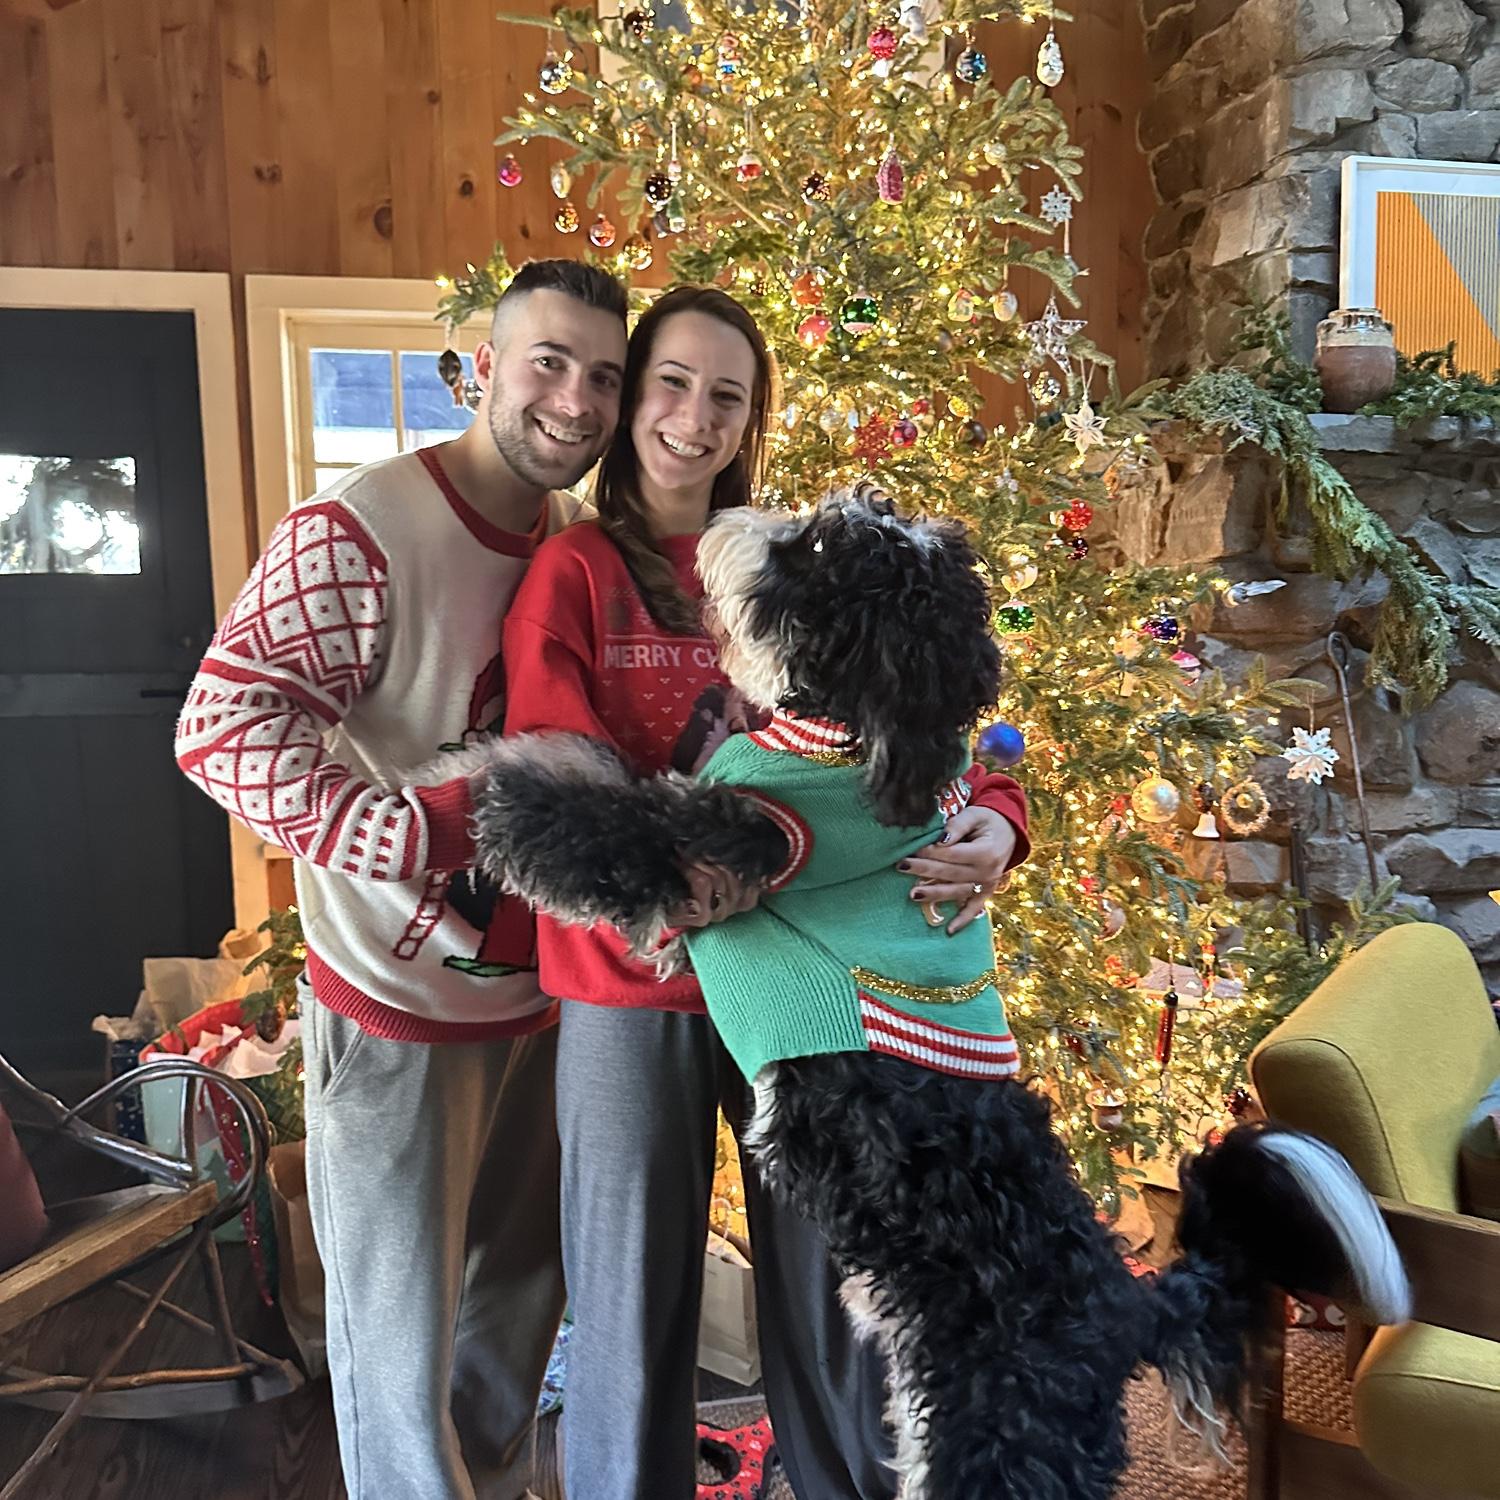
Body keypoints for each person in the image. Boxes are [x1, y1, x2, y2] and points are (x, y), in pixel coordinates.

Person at [500, 283, 1030, 1500]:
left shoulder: (805, 561)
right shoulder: (575, 572)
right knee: (629, 1296)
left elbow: (944, 707)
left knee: (842, 1288)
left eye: (727, 397)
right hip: (632, 990)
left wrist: (1001, 817)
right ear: (632, 396)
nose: (695, 418)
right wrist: (679, 881)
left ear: (752, 420)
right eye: (672, 384)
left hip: (813, 986)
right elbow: (555, 777)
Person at [173, 260, 629, 1500]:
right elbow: (221, 731)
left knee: (511, 1335)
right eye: (548, 362)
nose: (575, 401)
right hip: (394, 1009)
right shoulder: (363, 529)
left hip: (547, 1005)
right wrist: (411, 832)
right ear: (482, 367)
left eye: (602, 376)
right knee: (397, 1365)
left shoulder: (576, 545)